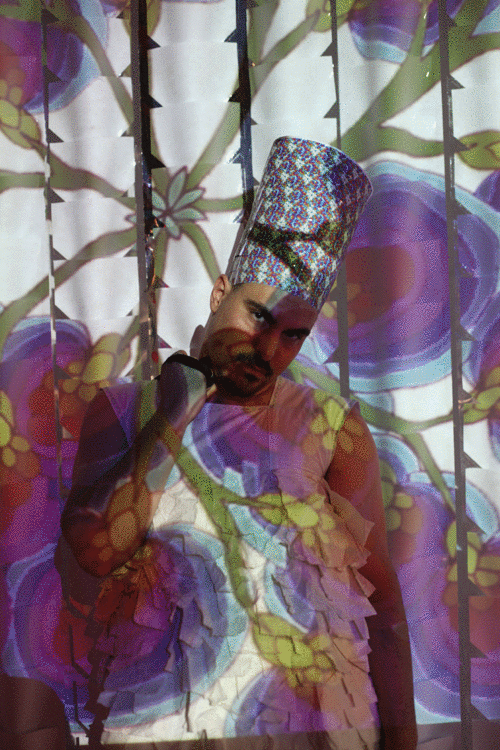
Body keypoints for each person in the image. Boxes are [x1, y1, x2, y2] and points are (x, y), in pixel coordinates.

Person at [58, 138, 417, 749]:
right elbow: (92, 554)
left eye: (294, 335)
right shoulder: (122, 410)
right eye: (260, 317)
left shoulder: (333, 427)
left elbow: (382, 608)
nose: (270, 349)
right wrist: (175, 412)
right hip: (168, 728)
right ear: (219, 290)